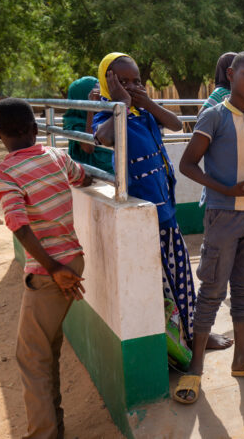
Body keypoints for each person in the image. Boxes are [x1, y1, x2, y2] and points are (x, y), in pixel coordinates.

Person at [92, 53, 233, 360]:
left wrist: (144, 103)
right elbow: (101, 139)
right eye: (123, 81)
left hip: (165, 209)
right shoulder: (108, 114)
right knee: (159, 287)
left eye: (136, 81)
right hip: (143, 218)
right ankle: (175, 345)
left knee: (181, 276)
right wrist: (121, 104)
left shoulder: (145, 113)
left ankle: (197, 334)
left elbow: (175, 122)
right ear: (108, 83)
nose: (131, 87)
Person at [175, 51, 244, 404]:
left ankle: (243, 359)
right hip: (224, 215)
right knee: (212, 289)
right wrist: (227, 190)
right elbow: (187, 165)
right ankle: (196, 368)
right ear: (232, 74)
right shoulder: (214, 116)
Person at [0, 98, 92, 438]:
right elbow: (83, 178)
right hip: (70, 259)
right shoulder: (57, 156)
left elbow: (18, 224)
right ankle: (54, 426)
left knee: (31, 357)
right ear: (36, 129)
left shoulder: (5, 172)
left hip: (50, 269)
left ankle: (43, 433)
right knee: (45, 348)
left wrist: (51, 268)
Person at [63, 76, 115, 174]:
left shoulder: (102, 115)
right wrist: (90, 107)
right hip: (90, 175)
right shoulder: (72, 120)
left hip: (110, 170)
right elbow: (88, 148)